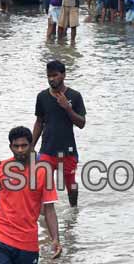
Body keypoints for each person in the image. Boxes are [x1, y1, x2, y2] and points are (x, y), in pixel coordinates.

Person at [0, 126, 62, 263]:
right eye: (16, 146)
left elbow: (49, 210)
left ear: (31, 145)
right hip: (0, 238)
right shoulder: (0, 168)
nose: (20, 150)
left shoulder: (43, 172)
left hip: (28, 244)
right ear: (10, 147)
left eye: (24, 145)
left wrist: (55, 238)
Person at [32, 60, 87, 207]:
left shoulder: (75, 96)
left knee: (71, 185)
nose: (51, 79)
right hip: (46, 150)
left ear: (63, 75)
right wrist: (31, 146)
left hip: (67, 151)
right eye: (48, 76)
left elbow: (81, 123)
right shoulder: (42, 97)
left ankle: (73, 213)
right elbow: (39, 122)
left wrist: (67, 108)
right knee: (43, 183)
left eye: (55, 75)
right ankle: (45, 217)